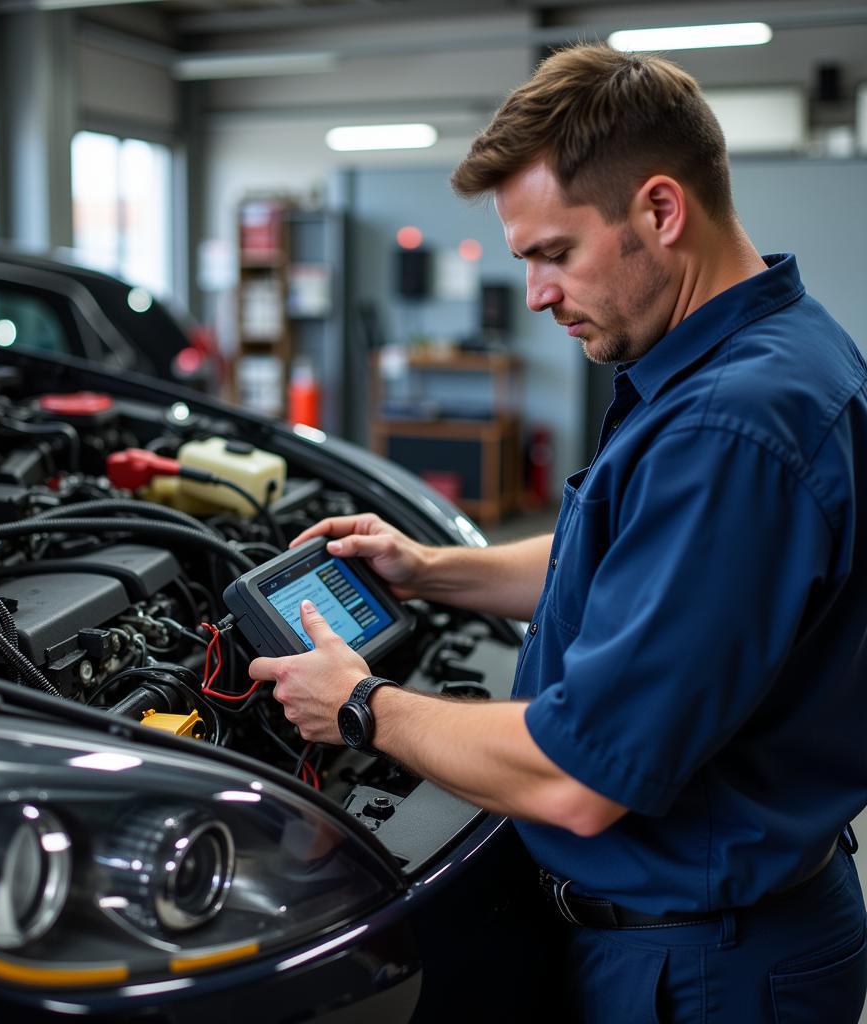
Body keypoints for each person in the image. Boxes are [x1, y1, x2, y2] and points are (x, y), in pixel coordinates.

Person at [249, 43, 867, 1022]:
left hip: (699, 970)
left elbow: (582, 776)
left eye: (553, 253)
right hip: (713, 930)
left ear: (660, 211)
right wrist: (430, 569)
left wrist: (363, 704)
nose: (536, 295)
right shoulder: (766, 353)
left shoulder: (730, 427)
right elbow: (635, 561)